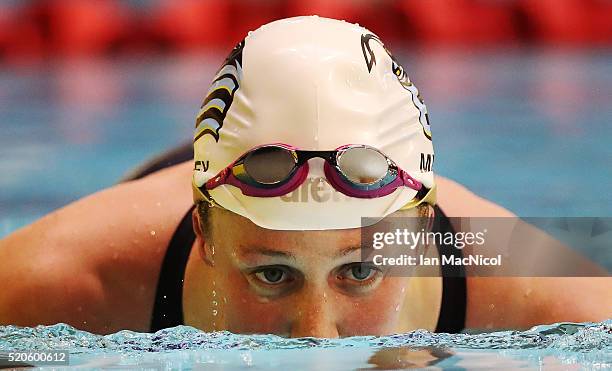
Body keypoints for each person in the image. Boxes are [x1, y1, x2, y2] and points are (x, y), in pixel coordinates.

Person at [0, 16, 609, 337]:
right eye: (272, 274)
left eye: (361, 270)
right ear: (208, 236)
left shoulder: (526, 275)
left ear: (419, 234)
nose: (316, 340)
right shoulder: (67, 273)